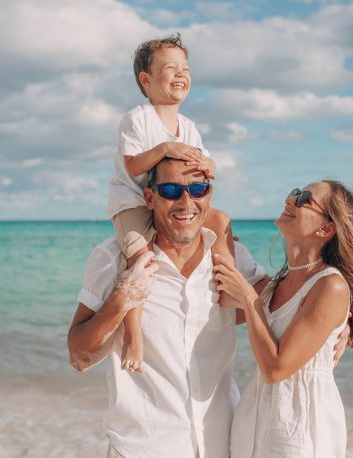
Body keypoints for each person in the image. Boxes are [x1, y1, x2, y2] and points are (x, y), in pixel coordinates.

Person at [69, 158, 266, 457]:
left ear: (209, 195)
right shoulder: (112, 259)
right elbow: (79, 357)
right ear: (150, 197)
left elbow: (281, 302)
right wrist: (122, 298)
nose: (186, 202)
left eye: (197, 189)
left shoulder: (232, 257)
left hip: (220, 442)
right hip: (144, 447)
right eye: (171, 190)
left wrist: (338, 321)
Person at [214, 181, 353, 457]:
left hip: (298, 431)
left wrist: (249, 298)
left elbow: (276, 369)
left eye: (304, 199)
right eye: (294, 193)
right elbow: (217, 304)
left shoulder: (330, 286)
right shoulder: (274, 287)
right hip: (252, 424)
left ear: (326, 228)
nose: (290, 201)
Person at [106, 33, 235, 372]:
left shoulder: (188, 126)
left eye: (185, 69)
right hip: (134, 202)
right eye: (170, 68)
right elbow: (134, 166)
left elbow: (206, 162)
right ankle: (133, 332)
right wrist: (165, 148)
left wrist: (209, 164)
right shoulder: (137, 119)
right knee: (140, 260)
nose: (180, 74)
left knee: (221, 220)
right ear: (146, 80)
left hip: (174, 202)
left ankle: (226, 287)